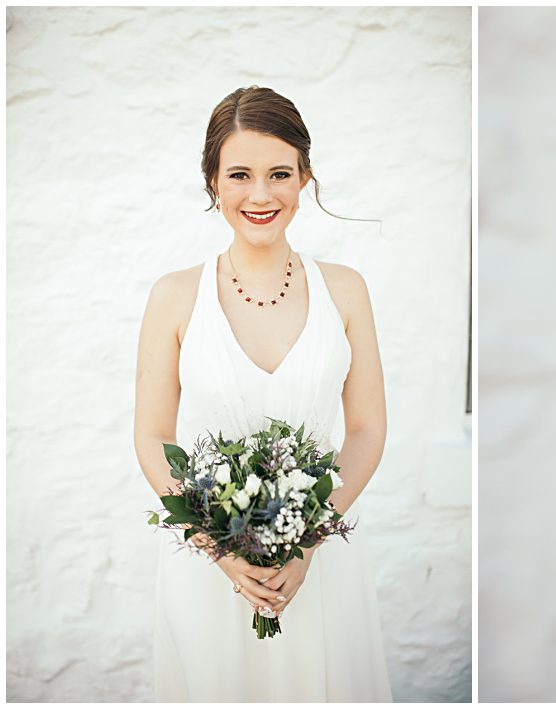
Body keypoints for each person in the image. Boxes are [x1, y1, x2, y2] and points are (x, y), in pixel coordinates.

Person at [133, 86, 392, 701]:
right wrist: (222, 551)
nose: (260, 195)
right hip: (208, 571)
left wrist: (307, 543)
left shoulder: (345, 290)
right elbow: (152, 435)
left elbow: (366, 430)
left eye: (280, 173)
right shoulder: (173, 296)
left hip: (322, 560)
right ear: (212, 182)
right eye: (240, 174)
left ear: (305, 177)